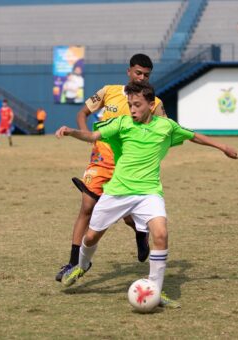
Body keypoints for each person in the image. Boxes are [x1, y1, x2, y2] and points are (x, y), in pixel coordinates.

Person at [56, 81, 238, 308]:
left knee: (161, 234)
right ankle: (82, 266)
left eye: (137, 105)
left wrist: (222, 147)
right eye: (130, 104)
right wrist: (72, 132)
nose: (132, 110)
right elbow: (93, 136)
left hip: (149, 193)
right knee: (91, 237)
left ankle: (155, 290)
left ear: (151, 105)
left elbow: (193, 136)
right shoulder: (121, 123)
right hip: (118, 191)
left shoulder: (166, 127)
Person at [55, 54, 167, 282]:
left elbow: (164, 130)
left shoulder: (154, 103)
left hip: (129, 167)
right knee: (87, 208)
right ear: (129, 72)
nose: (142, 77)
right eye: (138, 73)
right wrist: (87, 137)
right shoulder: (109, 91)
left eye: (146, 75)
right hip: (101, 160)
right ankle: (73, 262)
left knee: (127, 215)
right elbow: (82, 113)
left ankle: (139, 230)